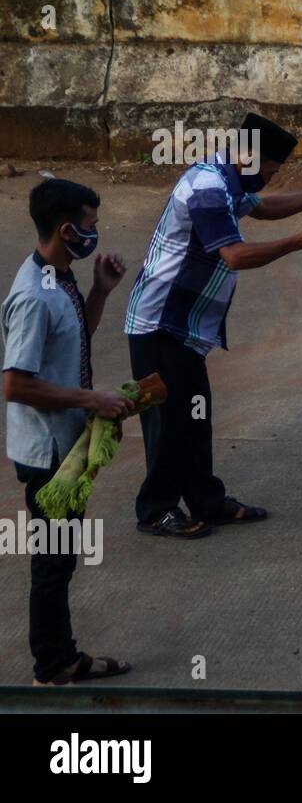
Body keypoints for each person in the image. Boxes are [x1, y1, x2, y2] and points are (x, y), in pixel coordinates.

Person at [123, 113, 302, 538]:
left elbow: (262, 209)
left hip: (183, 326)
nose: (269, 178)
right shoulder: (209, 188)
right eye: (271, 169)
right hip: (159, 323)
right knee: (169, 422)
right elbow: (235, 255)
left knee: (193, 417)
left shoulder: (228, 180)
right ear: (250, 155)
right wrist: (298, 243)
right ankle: (156, 510)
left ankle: (206, 501)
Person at [3, 179, 133, 685]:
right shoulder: (33, 297)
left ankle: (61, 656)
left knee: (60, 557)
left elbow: (72, 340)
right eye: (90, 226)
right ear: (66, 229)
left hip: (67, 446)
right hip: (47, 454)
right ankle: (54, 665)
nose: (95, 235)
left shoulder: (59, 278)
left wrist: (100, 292)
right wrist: (91, 399)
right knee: (53, 564)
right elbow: (15, 384)